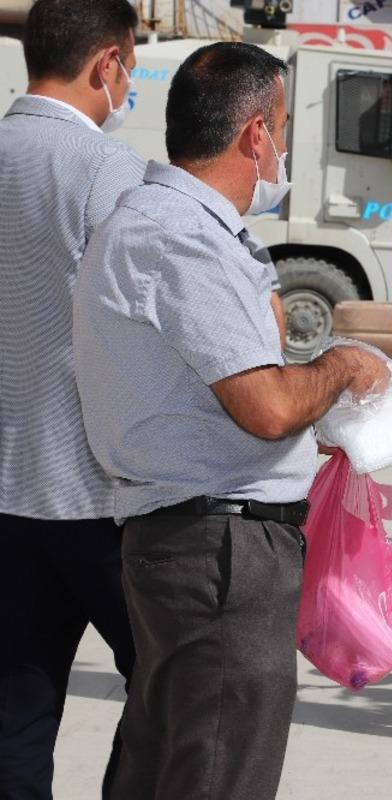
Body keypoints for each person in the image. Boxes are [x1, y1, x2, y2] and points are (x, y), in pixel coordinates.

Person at [72, 42, 392, 800]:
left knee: (175, 765)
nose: (280, 147)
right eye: (280, 127)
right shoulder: (178, 234)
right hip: (218, 550)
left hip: (199, 540)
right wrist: (343, 365)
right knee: (219, 773)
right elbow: (269, 406)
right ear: (256, 135)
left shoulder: (177, 226)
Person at [0, 2, 142, 796]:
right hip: (96, 495)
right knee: (168, 687)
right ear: (108, 65)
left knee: (15, 711)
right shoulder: (106, 170)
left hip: (4, 491)